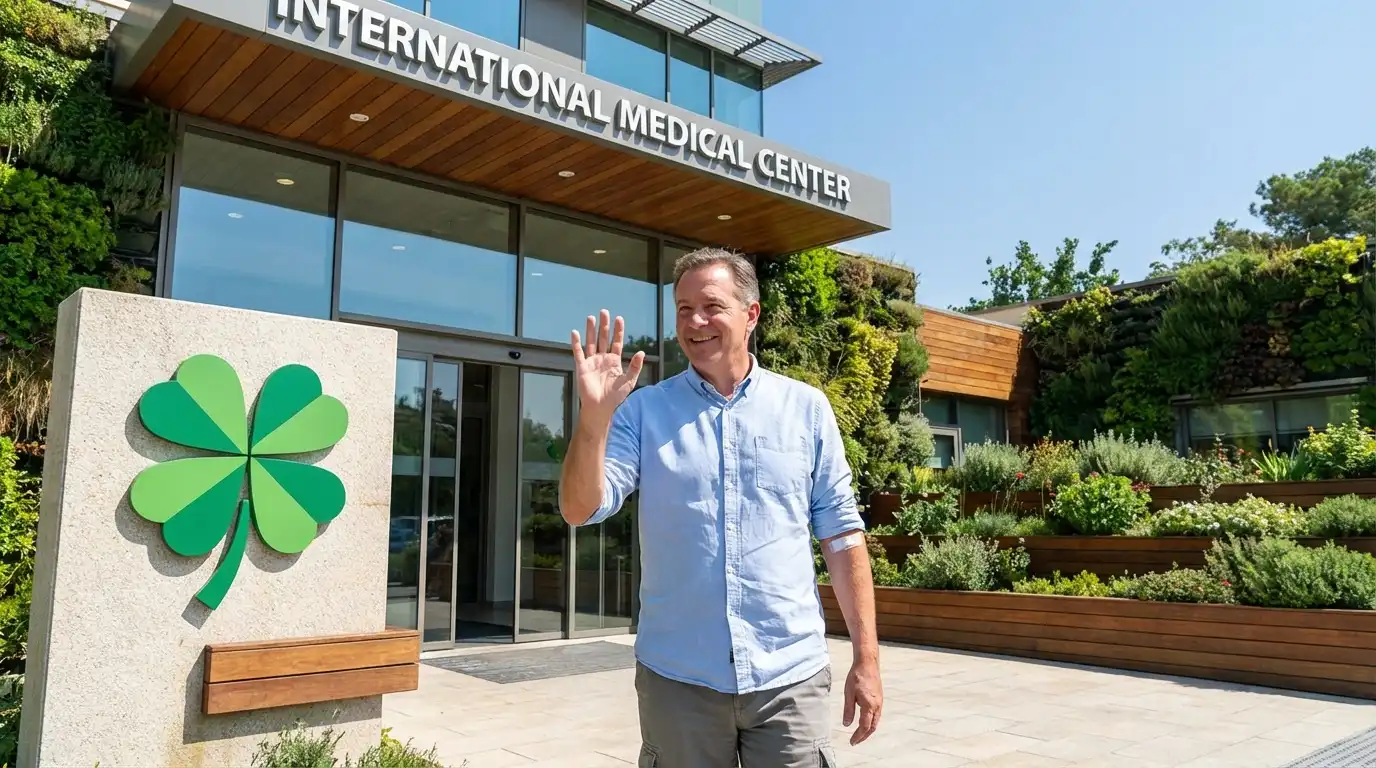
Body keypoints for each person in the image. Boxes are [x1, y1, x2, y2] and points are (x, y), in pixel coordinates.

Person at [558, 247, 882, 767]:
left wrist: (866, 657)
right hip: (679, 680)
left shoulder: (805, 409)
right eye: (683, 309)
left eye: (711, 306)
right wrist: (594, 419)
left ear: (751, 314)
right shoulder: (645, 411)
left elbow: (842, 536)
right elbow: (580, 508)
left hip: (788, 677)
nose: (695, 322)